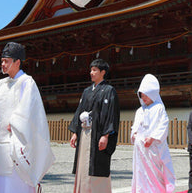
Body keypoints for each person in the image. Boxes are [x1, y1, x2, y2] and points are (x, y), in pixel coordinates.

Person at [0, 42, 55, 192]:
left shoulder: (27, 82)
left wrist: (15, 124)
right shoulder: (0, 84)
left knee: (14, 185)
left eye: (6, 61)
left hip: (15, 144)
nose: (3, 64)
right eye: (2, 61)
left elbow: (30, 112)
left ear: (17, 62)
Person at [68, 58, 120, 193]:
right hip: (84, 134)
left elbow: (111, 115)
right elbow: (79, 111)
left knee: (97, 165)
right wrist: (75, 132)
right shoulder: (86, 91)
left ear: (103, 72)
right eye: (91, 70)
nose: (91, 72)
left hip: (98, 134)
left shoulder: (109, 91)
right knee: (83, 164)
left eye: (95, 70)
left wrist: (106, 135)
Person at [130, 74, 175, 193]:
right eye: (142, 96)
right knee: (140, 172)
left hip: (153, 147)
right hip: (140, 148)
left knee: (154, 173)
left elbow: (163, 125)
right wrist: (134, 134)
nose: (144, 98)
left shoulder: (159, 108)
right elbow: (135, 126)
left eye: (146, 95)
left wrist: (152, 138)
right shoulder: (140, 111)